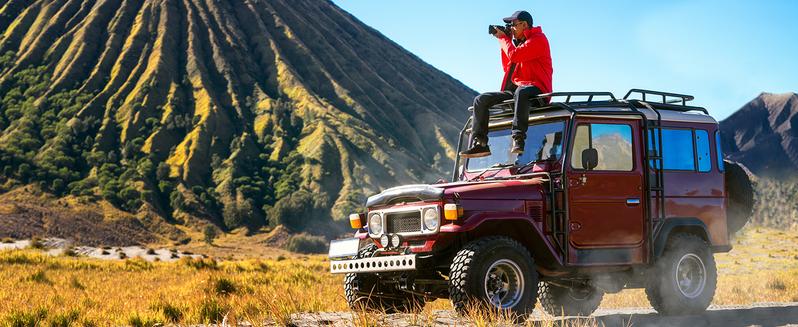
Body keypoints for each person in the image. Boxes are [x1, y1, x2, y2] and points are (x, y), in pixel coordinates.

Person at [460, 10, 553, 158]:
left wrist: (504, 39)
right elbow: (508, 66)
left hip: (537, 89)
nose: (511, 28)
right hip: (517, 90)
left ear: (524, 24)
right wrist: (506, 40)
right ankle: (480, 143)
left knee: (521, 92)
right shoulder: (519, 43)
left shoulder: (538, 39)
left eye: (513, 25)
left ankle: (518, 139)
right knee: (481, 100)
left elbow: (515, 56)